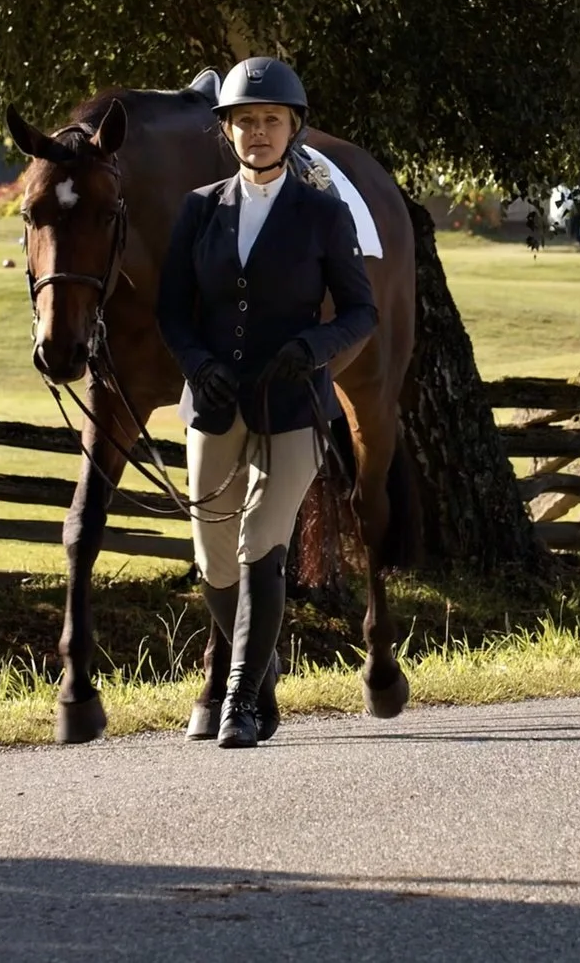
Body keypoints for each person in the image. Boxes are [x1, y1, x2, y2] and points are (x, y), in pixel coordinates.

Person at [155, 56, 377, 748]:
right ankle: (263, 668)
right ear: (227, 130)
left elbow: (361, 311)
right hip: (214, 401)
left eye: (271, 120)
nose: (258, 131)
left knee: (261, 543)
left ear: (292, 128)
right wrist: (198, 364)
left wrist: (312, 347)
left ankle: (241, 702)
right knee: (212, 556)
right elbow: (172, 311)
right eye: (245, 120)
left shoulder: (323, 212)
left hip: (294, 405)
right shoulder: (199, 209)